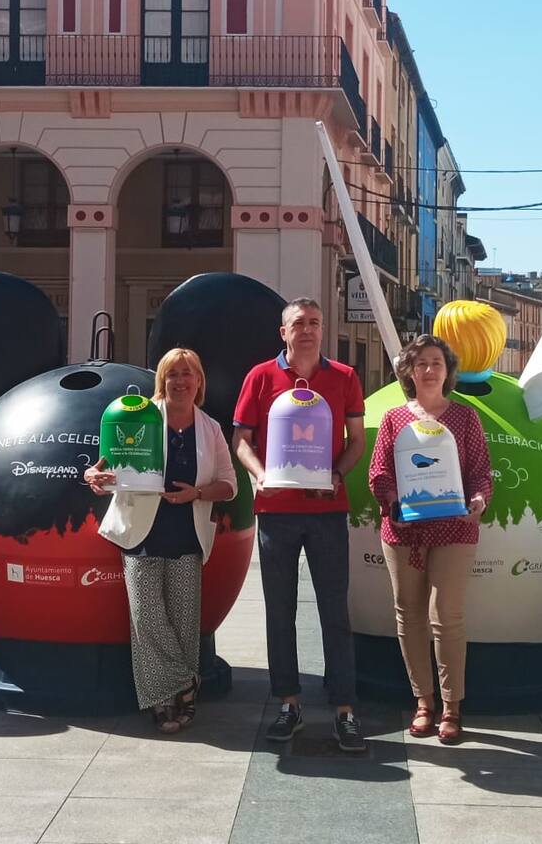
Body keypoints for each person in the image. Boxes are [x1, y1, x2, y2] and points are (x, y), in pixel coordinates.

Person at [233, 297, 368, 752]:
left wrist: (336, 474)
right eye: (298, 323)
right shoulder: (259, 376)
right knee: (279, 611)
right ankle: (288, 703)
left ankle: (344, 709)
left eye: (314, 322)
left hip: (327, 509)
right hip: (277, 512)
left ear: (322, 328)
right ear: (283, 332)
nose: (307, 330)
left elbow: (356, 442)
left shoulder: (345, 377)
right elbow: (242, 441)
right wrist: (259, 474)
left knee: (335, 612)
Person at [85, 348, 238, 733]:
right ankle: (179, 685)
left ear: (200, 381)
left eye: (188, 374)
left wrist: (197, 494)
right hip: (140, 532)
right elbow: (107, 468)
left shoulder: (211, 428)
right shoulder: (139, 415)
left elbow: (229, 485)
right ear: (162, 381)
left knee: (184, 621)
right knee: (146, 618)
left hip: (187, 533)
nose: (181, 381)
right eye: (173, 375)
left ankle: (176, 700)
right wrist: (95, 477)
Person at [368, 334, 493, 745]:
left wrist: (478, 499)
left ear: (448, 370)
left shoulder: (465, 418)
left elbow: (479, 472)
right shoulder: (393, 419)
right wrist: (392, 504)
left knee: (447, 616)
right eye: (420, 362)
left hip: (455, 527)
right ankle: (423, 702)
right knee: (409, 615)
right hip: (404, 529)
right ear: (409, 371)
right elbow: (380, 473)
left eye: (437, 362)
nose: (429, 369)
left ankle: (452, 706)